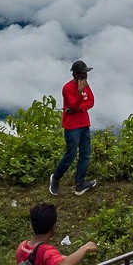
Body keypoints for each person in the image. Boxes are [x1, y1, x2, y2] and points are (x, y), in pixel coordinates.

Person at [48, 60, 97, 196]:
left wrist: (79, 108)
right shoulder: (68, 88)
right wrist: (80, 94)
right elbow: (73, 105)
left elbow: (91, 101)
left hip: (84, 123)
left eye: (86, 73)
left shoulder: (86, 85)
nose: (86, 77)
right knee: (70, 155)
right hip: (72, 126)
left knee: (85, 155)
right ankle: (55, 178)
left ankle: (80, 184)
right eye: (83, 74)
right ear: (76, 74)